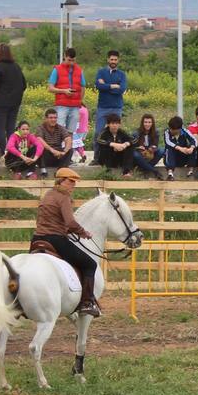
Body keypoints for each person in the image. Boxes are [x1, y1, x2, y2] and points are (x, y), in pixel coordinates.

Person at [32, 166, 101, 317]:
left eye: (74, 182)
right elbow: (70, 222)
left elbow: (50, 220)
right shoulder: (64, 198)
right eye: (70, 181)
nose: (73, 185)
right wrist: (83, 233)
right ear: (61, 181)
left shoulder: (48, 195)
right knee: (90, 264)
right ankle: (87, 302)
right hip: (55, 239)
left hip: (37, 239)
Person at [0, 42, 27, 142]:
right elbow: (24, 85)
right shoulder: (16, 66)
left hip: (0, 104)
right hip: (15, 103)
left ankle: (1, 152)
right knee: (10, 128)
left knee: (0, 129)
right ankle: (11, 152)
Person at [48, 47, 85, 134]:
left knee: (71, 131)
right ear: (64, 57)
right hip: (62, 105)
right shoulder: (57, 69)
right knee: (58, 130)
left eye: (73, 60)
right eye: (69, 60)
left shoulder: (79, 70)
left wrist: (80, 100)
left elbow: (83, 87)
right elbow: (50, 88)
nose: (71, 62)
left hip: (75, 106)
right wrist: (64, 91)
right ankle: (57, 147)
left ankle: (69, 147)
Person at [93, 50, 128, 132]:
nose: (113, 61)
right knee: (99, 132)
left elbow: (121, 89)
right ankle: (97, 146)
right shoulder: (101, 72)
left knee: (115, 133)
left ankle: (115, 145)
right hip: (102, 107)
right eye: (112, 59)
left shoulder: (122, 74)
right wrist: (113, 86)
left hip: (116, 108)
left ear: (118, 60)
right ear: (108, 60)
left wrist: (105, 86)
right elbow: (98, 86)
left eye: (115, 60)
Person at [95, 113, 136, 177]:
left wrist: (125, 145)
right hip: (106, 159)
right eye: (112, 123)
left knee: (130, 147)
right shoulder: (104, 132)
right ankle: (107, 172)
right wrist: (113, 144)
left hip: (118, 158)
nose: (115, 125)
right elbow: (98, 140)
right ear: (108, 124)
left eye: (117, 123)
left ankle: (126, 172)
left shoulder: (121, 132)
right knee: (105, 148)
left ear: (119, 124)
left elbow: (134, 140)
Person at [36, 108, 73, 173]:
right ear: (46, 118)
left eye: (55, 118)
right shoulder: (40, 128)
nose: (53, 120)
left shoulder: (60, 128)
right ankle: (43, 170)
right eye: (51, 118)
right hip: (46, 156)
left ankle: (60, 171)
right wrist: (52, 150)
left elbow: (68, 139)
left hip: (58, 155)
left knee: (70, 150)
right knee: (38, 148)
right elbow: (39, 139)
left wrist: (64, 151)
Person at [162, 115, 197, 180]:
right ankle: (170, 174)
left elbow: (194, 140)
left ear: (179, 129)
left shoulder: (184, 131)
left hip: (182, 158)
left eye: (174, 130)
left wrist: (191, 148)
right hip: (171, 158)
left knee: (192, 147)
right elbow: (168, 142)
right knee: (169, 148)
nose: (172, 131)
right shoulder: (167, 132)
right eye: (171, 129)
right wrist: (180, 148)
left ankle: (191, 171)